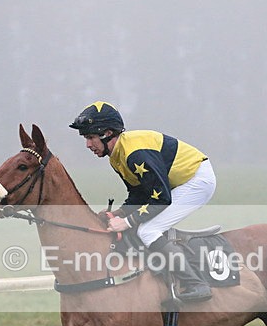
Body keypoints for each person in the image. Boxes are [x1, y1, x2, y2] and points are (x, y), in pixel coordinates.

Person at [69, 101, 217, 302]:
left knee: (147, 230)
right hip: (178, 183)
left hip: (196, 181)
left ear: (108, 133)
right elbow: (139, 194)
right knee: (142, 225)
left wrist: (127, 221)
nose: (88, 145)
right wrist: (119, 213)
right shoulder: (116, 156)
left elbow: (162, 198)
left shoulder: (134, 154)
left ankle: (195, 283)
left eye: (91, 137)